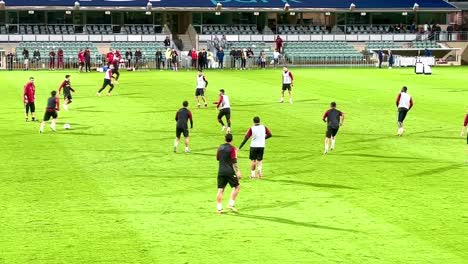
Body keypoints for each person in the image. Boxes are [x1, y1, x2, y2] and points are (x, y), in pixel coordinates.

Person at [216, 133, 242, 213]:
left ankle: (219, 209)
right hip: (229, 171)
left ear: (225, 139)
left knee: (220, 190)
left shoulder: (220, 147)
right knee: (237, 187)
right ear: (232, 139)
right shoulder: (232, 148)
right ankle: (230, 204)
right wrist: (238, 172)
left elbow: (217, 158)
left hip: (221, 171)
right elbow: (234, 161)